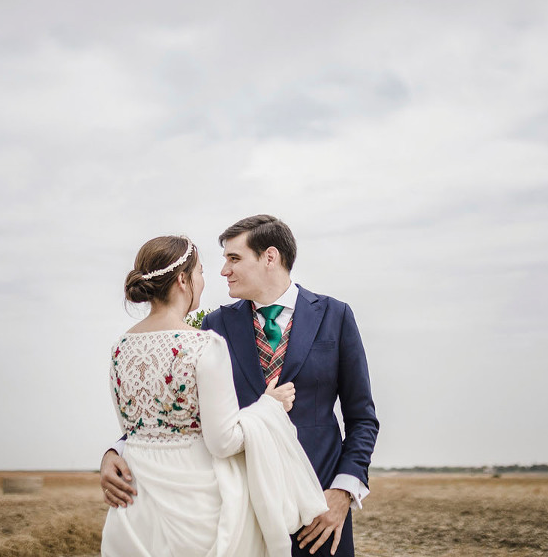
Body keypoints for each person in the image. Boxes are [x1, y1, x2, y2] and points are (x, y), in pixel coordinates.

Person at [103, 216, 379, 557]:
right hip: (242, 511)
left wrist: (343, 491)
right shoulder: (213, 325)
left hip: (319, 508)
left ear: (270, 257)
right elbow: (185, 405)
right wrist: (118, 449)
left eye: (234, 258)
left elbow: (362, 418)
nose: (223, 271)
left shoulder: (335, 315)